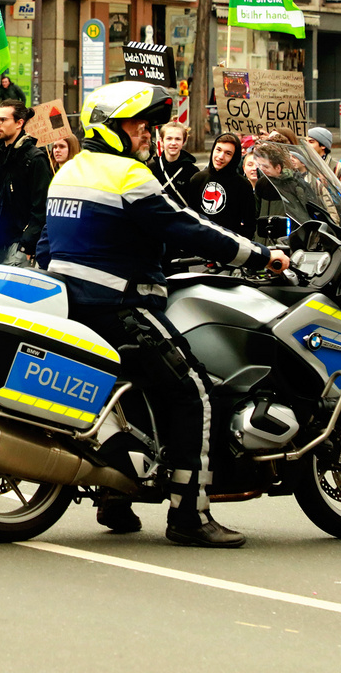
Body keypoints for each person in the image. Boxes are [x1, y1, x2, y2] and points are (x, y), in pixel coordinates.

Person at [39, 82, 286, 549]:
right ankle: (189, 514)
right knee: (194, 394)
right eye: (138, 126)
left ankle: (115, 497)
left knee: (130, 400)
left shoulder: (68, 172)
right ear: (112, 127)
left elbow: (48, 245)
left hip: (73, 307)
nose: (147, 134)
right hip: (121, 305)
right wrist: (258, 255)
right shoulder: (129, 176)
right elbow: (186, 226)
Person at [0, 103, 50, 265]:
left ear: (19, 123)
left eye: (3, 120)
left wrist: (27, 243)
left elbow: (41, 207)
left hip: (19, 243)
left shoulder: (34, 159)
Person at [186, 133, 256, 237]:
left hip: (230, 247)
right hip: (200, 244)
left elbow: (249, 224)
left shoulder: (242, 185)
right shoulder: (197, 179)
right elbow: (190, 216)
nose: (220, 156)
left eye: (228, 153)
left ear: (234, 157)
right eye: (218, 150)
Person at [305, 126, 341, 206]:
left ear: (323, 145)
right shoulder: (302, 166)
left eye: (311, 141)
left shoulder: (340, 170)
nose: (306, 144)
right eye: (305, 141)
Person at [148, 123, 198, 201]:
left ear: (184, 142)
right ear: (161, 141)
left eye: (178, 139)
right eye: (169, 138)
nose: (173, 143)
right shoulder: (150, 169)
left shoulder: (192, 172)